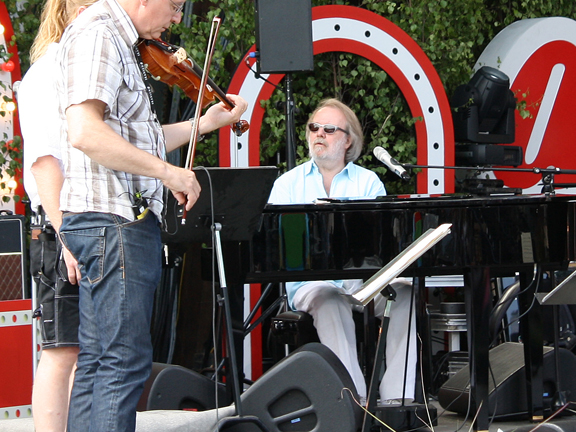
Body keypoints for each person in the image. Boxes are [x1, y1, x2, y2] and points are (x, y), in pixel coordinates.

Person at [51, 0, 248, 429]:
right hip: (114, 221)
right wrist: (168, 173)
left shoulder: (118, 39)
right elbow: (85, 132)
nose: (177, 18)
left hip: (110, 222)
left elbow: (134, 138)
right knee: (121, 365)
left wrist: (204, 123)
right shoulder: (100, 33)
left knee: (102, 364)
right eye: (175, 6)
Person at [268, 98, 416, 403]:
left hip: (364, 282)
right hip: (311, 284)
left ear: (348, 140)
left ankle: (396, 401)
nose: (319, 134)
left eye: (330, 129)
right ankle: (356, 404)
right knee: (330, 298)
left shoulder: (369, 182)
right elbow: (280, 247)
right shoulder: (286, 185)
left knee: (404, 292)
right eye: (314, 128)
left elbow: (380, 247)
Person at [19, 0, 97, 430]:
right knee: (62, 348)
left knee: (81, 349)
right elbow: (44, 162)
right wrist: (67, 236)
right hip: (60, 225)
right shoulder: (48, 71)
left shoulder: (81, 67)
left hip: (78, 223)